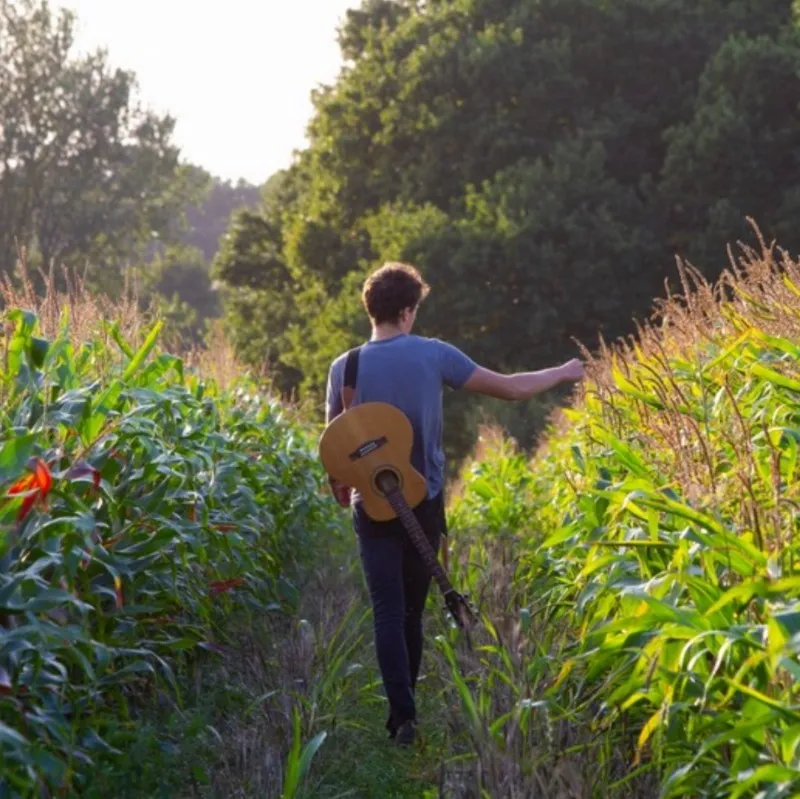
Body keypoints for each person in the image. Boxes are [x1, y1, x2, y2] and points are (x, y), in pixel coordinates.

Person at [324, 262, 584, 747]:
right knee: (410, 612)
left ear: (370, 309)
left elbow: (336, 450)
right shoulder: (433, 354)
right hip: (424, 500)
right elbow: (510, 388)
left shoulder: (346, 367)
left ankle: (402, 717)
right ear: (406, 311)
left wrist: (345, 486)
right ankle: (409, 708)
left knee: (385, 609)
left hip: (373, 506)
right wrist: (566, 371)